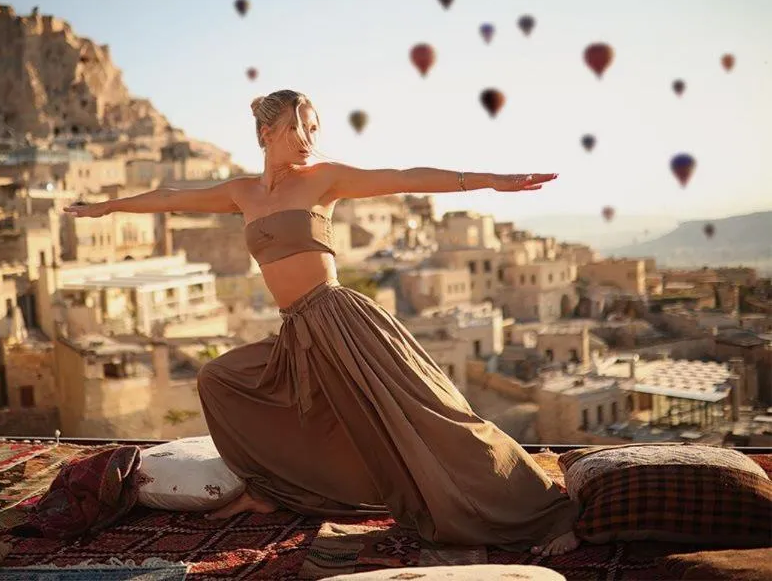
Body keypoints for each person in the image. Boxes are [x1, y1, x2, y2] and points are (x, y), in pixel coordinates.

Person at [64, 89, 579, 556]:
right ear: (268, 133)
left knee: (429, 417)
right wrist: (108, 207)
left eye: (314, 126)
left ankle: (528, 503)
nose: (309, 137)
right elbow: (171, 199)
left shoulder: (324, 178)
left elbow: (403, 179)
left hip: (341, 319)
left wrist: (491, 181)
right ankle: (269, 491)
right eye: (297, 127)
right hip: (297, 330)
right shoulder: (243, 192)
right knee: (219, 379)